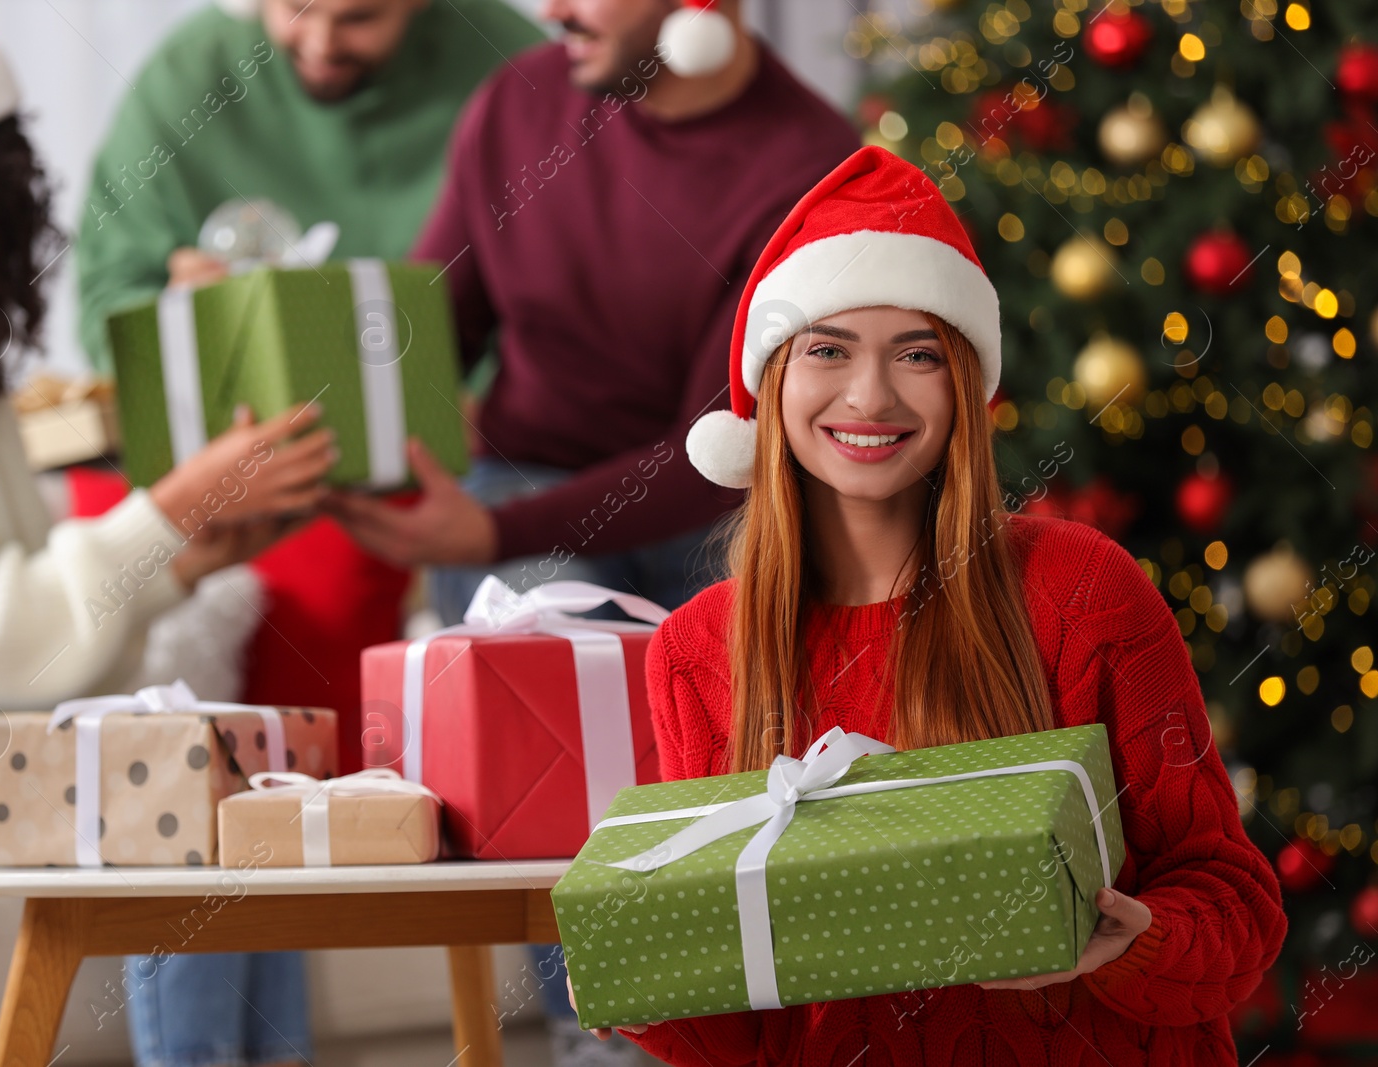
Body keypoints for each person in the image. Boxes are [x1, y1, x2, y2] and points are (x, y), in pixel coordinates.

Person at [568, 145, 1289, 1065]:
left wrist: (1128, 937)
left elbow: (1235, 907)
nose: (869, 396)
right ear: (772, 383)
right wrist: (640, 972)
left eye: (917, 354)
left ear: (964, 387)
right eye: (828, 350)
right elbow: (740, 1027)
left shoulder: (1079, 591)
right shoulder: (698, 649)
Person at [0, 5, 335, 1066]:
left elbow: (43, 651)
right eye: (5, 172)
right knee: (176, 795)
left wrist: (183, 562)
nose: (28, 199)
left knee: (231, 787)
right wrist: (168, 510)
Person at [74, 0, 545, 775]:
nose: (321, 43)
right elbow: (106, 297)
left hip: (453, 462)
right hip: (230, 455)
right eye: (295, 9)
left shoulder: (507, 66)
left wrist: (490, 408)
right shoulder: (187, 79)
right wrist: (174, 307)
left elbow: (561, 293)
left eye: (360, 17)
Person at [324, 0, 862, 627]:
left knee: (753, 686)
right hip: (524, 486)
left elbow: (719, 455)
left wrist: (491, 533)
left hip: (713, 517)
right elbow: (430, 330)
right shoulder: (518, 102)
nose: (554, 11)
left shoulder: (809, 162)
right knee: (551, 651)